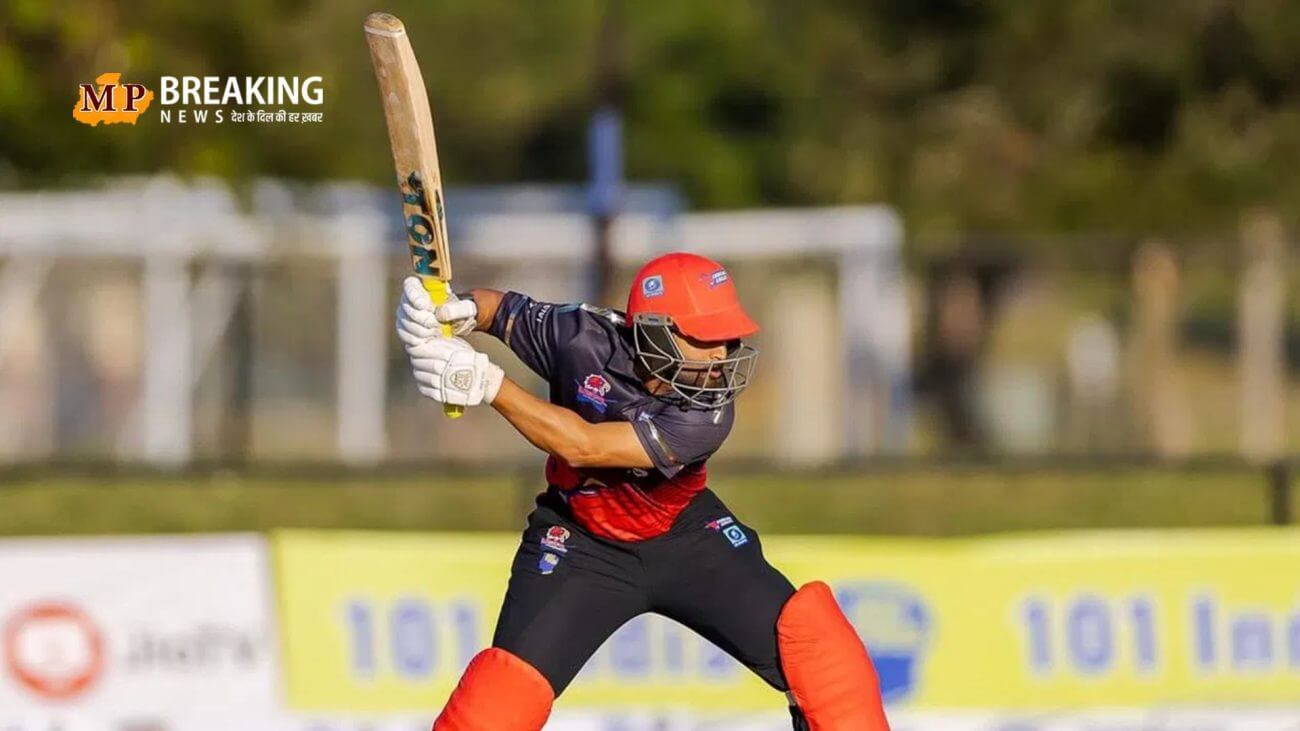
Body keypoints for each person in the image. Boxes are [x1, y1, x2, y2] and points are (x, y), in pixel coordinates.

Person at [395, 251, 890, 731]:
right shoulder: (581, 337)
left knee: (825, 655)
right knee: (494, 706)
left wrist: (487, 384)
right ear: (654, 332)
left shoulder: (708, 415)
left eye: (725, 337)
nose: (721, 355)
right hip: (580, 544)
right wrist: (453, 311)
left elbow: (584, 446)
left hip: (688, 539)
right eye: (705, 339)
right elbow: (502, 310)